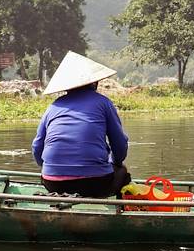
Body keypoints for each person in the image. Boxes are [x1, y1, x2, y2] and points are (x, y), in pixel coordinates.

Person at [32, 51, 130, 197]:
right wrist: (115, 162)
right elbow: (120, 145)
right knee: (122, 172)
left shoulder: (54, 107)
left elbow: (37, 147)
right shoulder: (103, 103)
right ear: (94, 83)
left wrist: (51, 168)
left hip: (51, 182)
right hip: (94, 183)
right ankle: (118, 213)